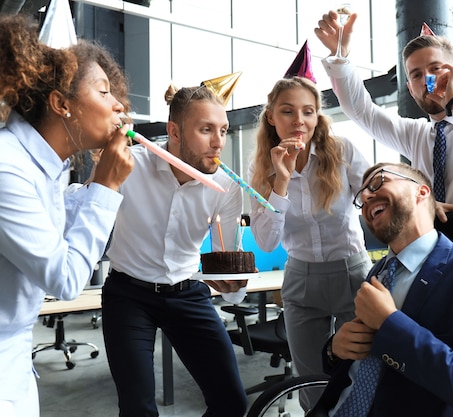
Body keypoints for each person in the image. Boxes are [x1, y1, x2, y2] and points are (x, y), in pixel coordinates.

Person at [307, 162, 453, 417]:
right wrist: (335, 350)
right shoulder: (378, 273)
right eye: (361, 196)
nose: (365, 196)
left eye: (378, 183)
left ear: (421, 192)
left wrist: (390, 324)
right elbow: (359, 365)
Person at [0, 14, 134, 417]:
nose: (118, 105)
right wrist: (106, 187)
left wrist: (98, 184)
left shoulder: (47, 167)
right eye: (104, 91)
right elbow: (66, 278)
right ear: (61, 104)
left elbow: (57, 231)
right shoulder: (7, 166)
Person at [101, 85, 247, 417]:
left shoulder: (226, 186)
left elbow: (225, 262)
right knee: (137, 408)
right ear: (174, 132)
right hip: (128, 295)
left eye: (222, 131)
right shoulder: (131, 164)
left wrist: (232, 285)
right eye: (206, 129)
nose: (218, 142)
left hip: (188, 292)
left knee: (232, 403)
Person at [315, 11, 453, 220]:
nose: (428, 79)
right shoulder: (415, 134)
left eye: (436, 68)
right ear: (410, 88)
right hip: (431, 251)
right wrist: (340, 56)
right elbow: (361, 111)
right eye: (417, 74)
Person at [248, 75, 372, 410]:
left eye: (308, 112)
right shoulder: (261, 168)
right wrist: (281, 183)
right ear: (272, 117)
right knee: (311, 383)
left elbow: (374, 196)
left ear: (318, 116)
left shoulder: (342, 150)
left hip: (353, 273)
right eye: (288, 111)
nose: (299, 121)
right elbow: (266, 240)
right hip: (301, 279)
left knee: (358, 374)